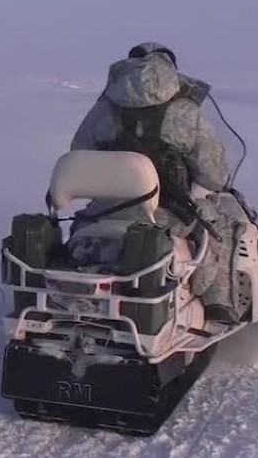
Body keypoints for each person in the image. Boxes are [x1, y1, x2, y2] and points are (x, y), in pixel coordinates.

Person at [69, 41, 241, 323]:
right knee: (223, 227)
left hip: (104, 210)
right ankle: (217, 305)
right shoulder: (185, 111)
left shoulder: (104, 108)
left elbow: (79, 153)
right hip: (165, 214)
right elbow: (213, 174)